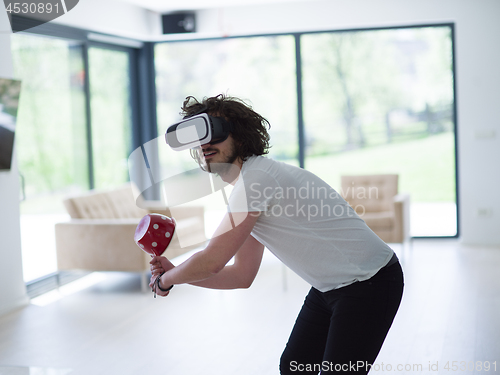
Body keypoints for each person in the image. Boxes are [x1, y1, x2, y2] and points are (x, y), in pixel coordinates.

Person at [150, 94, 404, 374]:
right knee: (295, 367)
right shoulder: (250, 184)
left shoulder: (256, 180)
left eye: (215, 132)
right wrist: (176, 274)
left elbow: (212, 261)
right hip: (332, 286)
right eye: (200, 137)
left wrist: (166, 281)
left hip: (370, 282)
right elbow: (241, 275)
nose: (205, 144)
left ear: (241, 137)